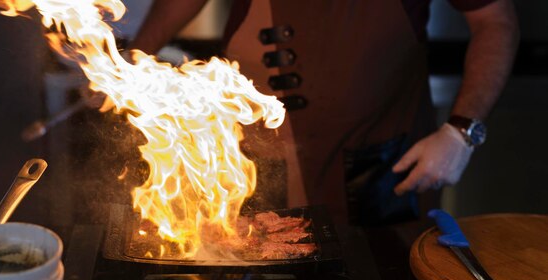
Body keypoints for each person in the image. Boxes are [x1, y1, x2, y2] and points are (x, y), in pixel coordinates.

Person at [128, 0, 519, 225]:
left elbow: (495, 19)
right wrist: (130, 65)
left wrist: (461, 133)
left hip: (380, 170)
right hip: (253, 166)